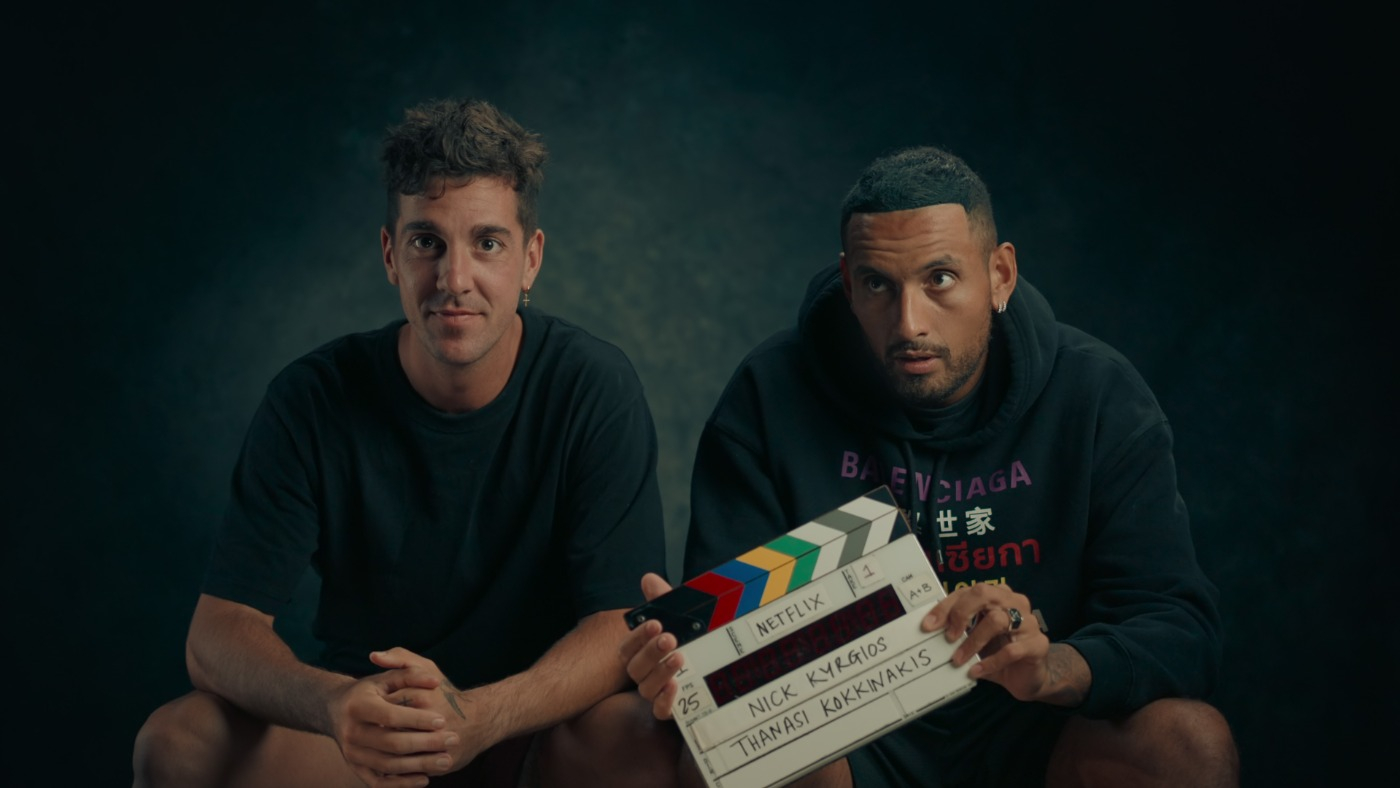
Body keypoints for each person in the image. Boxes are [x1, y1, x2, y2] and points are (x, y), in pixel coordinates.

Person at [623, 147, 1239, 787]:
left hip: (1039, 735)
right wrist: (690, 655)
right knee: (742, 761)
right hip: (850, 744)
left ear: (1000, 275)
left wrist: (1053, 667)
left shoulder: (1098, 395)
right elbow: (727, 662)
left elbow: (1180, 629)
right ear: (847, 283)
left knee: (1187, 740)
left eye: (940, 278)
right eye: (877, 285)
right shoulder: (766, 398)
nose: (908, 323)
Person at [133, 98, 674, 788]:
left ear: (530, 260)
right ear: (391, 254)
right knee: (176, 744)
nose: (454, 280)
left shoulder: (592, 386)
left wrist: (480, 717)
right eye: (427, 242)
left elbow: (619, 620)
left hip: (530, 732)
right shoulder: (314, 398)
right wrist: (334, 704)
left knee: (642, 741)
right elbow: (216, 634)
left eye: (487, 243)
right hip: (368, 736)